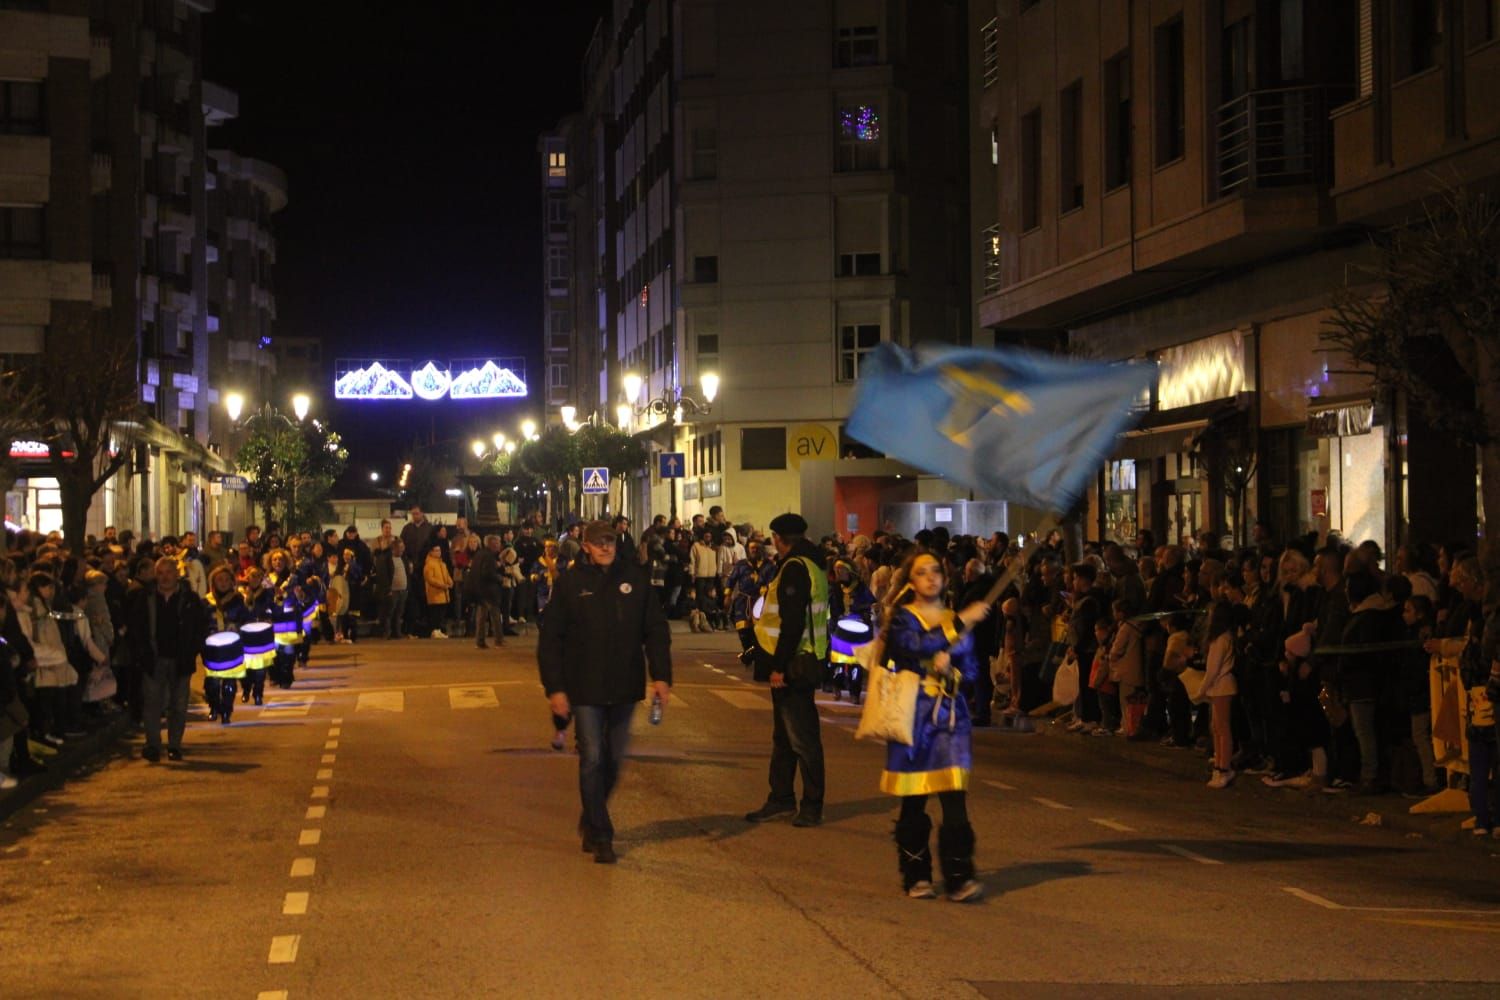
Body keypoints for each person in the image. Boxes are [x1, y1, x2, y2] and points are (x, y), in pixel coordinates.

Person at [538, 520, 672, 864]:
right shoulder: (570, 584)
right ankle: (601, 834)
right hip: (584, 687)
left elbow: (655, 630)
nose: (605, 548)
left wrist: (661, 676)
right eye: (598, 543)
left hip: (624, 685)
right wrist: (555, 688)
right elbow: (550, 639)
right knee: (593, 758)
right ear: (586, 546)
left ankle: (591, 814)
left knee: (613, 761)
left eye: (610, 541)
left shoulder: (635, 579)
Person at [880, 549, 992, 901]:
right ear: (911, 581)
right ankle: (916, 874)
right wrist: (958, 625)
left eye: (936, 572)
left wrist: (953, 671)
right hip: (914, 717)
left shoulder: (954, 617)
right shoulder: (904, 618)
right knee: (914, 801)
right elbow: (914, 645)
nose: (930, 577)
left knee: (955, 801)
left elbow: (972, 669)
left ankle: (959, 876)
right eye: (922, 572)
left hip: (951, 720)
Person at [745, 512, 828, 828]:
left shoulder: (794, 568)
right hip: (806, 659)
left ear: (779, 539)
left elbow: (791, 623)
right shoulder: (813, 565)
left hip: (795, 663)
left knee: (802, 739)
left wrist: (778, 667)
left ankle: (811, 804)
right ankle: (780, 798)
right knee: (784, 737)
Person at [126, 558, 208, 763]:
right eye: (160, 573)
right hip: (154, 658)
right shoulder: (146, 597)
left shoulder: (189, 598)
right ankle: (153, 745)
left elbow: (200, 626)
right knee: (152, 703)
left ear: (176, 574)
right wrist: (142, 653)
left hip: (181, 658)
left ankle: (174, 745)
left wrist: (193, 649)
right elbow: (137, 626)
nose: (164, 577)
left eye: (168, 572)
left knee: (178, 705)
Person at [374, 538, 411, 639]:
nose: (403, 549)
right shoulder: (386, 559)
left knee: (399, 613)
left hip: (403, 590)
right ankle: (387, 633)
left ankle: (397, 633)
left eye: (403, 547)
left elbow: (406, 573)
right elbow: (384, 576)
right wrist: (388, 589)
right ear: (394, 548)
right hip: (392, 591)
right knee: (388, 613)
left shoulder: (404, 558)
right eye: (401, 548)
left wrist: (407, 588)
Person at [423, 544, 453, 639]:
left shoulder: (442, 564)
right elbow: (430, 579)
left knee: (441, 614)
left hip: (443, 594)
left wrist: (450, 582)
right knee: (435, 614)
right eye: (436, 550)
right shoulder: (429, 564)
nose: (438, 552)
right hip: (435, 593)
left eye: (439, 550)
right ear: (431, 552)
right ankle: (434, 630)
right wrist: (442, 585)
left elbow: (447, 575)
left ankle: (439, 630)